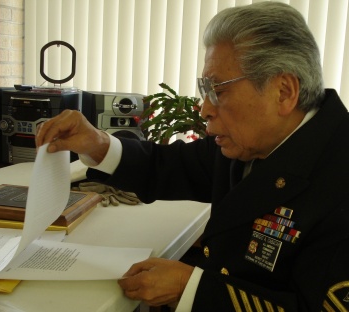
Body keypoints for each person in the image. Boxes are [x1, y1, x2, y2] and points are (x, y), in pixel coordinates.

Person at [36, 2, 349, 311]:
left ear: (283, 91)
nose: (205, 109)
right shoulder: (251, 141)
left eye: (218, 90)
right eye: (205, 89)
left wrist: (191, 288)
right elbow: (167, 166)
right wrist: (96, 143)